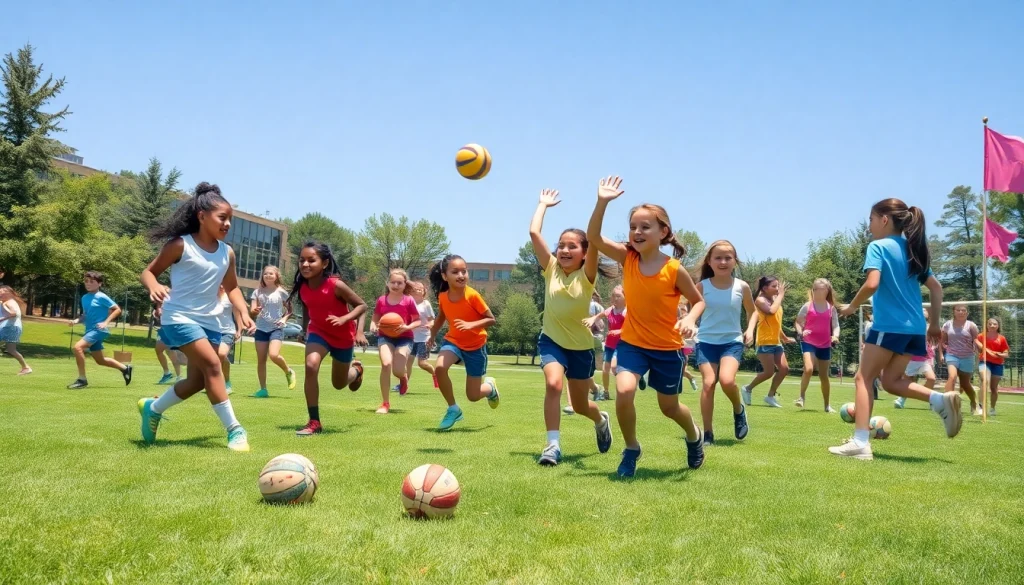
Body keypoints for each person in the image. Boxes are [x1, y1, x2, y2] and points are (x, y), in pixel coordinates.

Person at [587, 175, 706, 477]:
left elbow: (698, 301)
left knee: (669, 408)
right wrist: (602, 201)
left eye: (645, 226)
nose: (637, 232)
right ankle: (631, 448)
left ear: (663, 231)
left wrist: (690, 318)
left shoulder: (673, 269)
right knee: (624, 392)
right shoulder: (628, 258)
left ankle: (694, 434)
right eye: (633, 227)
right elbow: (595, 238)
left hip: (667, 349)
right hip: (632, 344)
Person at [832, 198, 960, 460]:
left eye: (870, 220)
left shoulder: (877, 247)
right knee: (891, 381)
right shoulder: (913, 249)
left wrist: (852, 307)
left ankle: (860, 443)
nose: (869, 227)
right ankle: (939, 400)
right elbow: (936, 287)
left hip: (888, 326)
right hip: (915, 328)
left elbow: (872, 283)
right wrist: (934, 323)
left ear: (884, 219)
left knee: (863, 378)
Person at [138, 183, 256, 451]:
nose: (227, 224)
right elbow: (148, 272)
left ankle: (152, 408)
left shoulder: (227, 253)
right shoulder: (180, 245)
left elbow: (233, 287)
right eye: (222, 218)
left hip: (212, 321)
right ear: (202, 216)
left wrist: (243, 310)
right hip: (179, 317)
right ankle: (235, 430)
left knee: (197, 381)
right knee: (215, 366)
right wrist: (154, 285)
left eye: (230, 220)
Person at [529, 188, 613, 466]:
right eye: (561, 245)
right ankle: (552, 445)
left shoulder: (586, 275)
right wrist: (542, 205)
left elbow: (595, 237)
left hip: (580, 348)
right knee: (553, 384)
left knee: (579, 406)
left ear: (584, 253)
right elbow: (534, 234)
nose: (564, 250)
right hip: (551, 340)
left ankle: (600, 419)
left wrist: (600, 202)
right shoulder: (550, 268)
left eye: (572, 246)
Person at [289, 242, 368, 436]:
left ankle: (356, 371)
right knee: (311, 365)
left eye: (311, 260)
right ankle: (314, 421)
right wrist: (305, 330)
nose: (305, 264)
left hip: (342, 337)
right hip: (319, 333)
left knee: (339, 384)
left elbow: (362, 306)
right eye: (302, 260)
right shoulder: (303, 286)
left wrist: (347, 321)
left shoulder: (335, 285)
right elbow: (308, 306)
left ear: (324, 263)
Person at [427, 254, 500, 431]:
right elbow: (441, 316)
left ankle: (489, 388)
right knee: (440, 368)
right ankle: (453, 409)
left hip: (475, 346)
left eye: (464, 271)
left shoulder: (473, 296)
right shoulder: (443, 296)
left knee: (473, 396)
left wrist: (470, 325)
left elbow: (491, 319)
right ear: (445, 276)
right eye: (455, 272)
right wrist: (432, 335)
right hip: (453, 341)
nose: (461, 275)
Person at [694, 240, 753, 445]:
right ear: (709, 262)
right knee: (709, 384)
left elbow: (752, 312)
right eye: (718, 257)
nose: (723, 261)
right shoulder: (702, 286)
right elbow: (688, 310)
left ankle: (738, 409)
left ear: (734, 261)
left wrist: (750, 329)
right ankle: (708, 434)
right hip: (705, 341)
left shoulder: (742, 287)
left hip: (732, 341)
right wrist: (688, 322)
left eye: (728, 258)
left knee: (727, 381)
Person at [66, 271, 133, 389]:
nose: (88, 284)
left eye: (92, 282)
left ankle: (82, 380)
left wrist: (106, 322)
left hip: (98, 330)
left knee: (78, 347)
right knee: (100, 360)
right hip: (90, 330)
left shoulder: (101, 296)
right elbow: (85, 315)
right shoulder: (85, 298)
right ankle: (125, 368)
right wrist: (76, 321)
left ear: (99, 283)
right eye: (86, 281)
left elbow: (117, 309)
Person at [370, 268, 421, 414]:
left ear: (405, 285)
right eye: (393, 282)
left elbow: (417, 321)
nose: (396, 285)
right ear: (387, 283)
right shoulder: (381, 300)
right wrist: (373, 324)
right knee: (386, 364)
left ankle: (403, 377)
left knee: (398, 370)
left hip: (405, 338)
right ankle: (385, 403)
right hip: (385, 336)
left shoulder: (409, 300)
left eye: (399, 283)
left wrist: (406, 327)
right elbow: (375, 316)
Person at [741, 276, 794, 408]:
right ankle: (747, 388)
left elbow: (776, 322)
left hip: (776, 342)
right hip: (764, 342)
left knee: (784, 369)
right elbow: (771, 312)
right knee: (769, 372)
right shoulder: (760, 300)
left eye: (778, 286)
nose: (777, 288)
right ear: (765, 288)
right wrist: (781, 295)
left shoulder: (775, 300)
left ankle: (770, 396)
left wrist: (784, 338)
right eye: (774, 286)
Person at [793, 278, 841, 412]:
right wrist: (801, 332)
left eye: (819, 289)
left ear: (827, 290)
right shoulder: (807, 306)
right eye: (814, 289)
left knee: (823, 376)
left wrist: (835, 336)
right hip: (808, 342)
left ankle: (827, 406)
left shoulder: (831, 309)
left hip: (825, 345)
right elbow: (798, 322)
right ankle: (801, 398)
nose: (816, 291)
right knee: (808, 369)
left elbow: (836, 326)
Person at [250, 266, 295, 397]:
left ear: (276, 276)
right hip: (261, 328)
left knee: (274, 355)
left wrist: (284, 319)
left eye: (271, 274)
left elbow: (290, 310)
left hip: (276, 328)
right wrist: (255, 310)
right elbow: (252, 310)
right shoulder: (257, 292)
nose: (268, 276)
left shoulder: (282, 292)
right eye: (265, 274)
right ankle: (263, 389)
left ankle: (288, 371)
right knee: (261, 360)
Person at [393, 281, 438, 392]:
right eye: (417, 288)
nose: (419, 289)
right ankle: (404, 385)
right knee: (407, 363)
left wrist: (430, 325)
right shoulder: (408, 302)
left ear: (424, 292)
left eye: (421, 288)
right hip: (411, 337)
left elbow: (432, 320)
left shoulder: (426, 304)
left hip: (424, 338)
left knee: (422, 363)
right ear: (412, 290)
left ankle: (435, 374)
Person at [584, 285, 627, 397]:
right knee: (605, 369)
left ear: (625, 297)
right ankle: (606, 392)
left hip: (622, 345)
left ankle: (629, 381)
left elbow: (633, 328)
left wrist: (620, 331)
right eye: (613, 295)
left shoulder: (627, 312)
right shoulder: (610, 310)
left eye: (618, 295)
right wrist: (592, 319)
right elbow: (600, 315)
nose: (615, 298)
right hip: (609, 344)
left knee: (614, 367)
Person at [941, 304, 981, 415]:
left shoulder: (971, 325)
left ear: (967, 312)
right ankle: (947, 404)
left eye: (963, 310)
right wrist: (941, 353)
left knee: (965, 384)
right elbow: (942, 341)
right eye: (958, 310)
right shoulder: (947, 325)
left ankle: (974, 403)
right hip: (952, 354)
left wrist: (981, 347)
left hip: (967, 356)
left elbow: (976, 339)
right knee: (952, 377)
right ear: (954, 311)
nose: (961, 312)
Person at [894, 308, 938, 408]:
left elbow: (932, 340)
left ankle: (929, 399)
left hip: (924, 359)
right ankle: (901, 399)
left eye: (925, 314)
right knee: (907, 381)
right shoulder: (910, 327)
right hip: (911, 359)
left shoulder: (928, 328)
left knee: (931, 379)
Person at [976, 317, 1009, 417]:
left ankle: (992, 408)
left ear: (998, 326)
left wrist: (998, 354)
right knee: (984, 381)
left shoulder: (1002, 338)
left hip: (998, 364)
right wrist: (983, 349)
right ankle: (980, 407)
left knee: (993, 388)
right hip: (984, 362)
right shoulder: (981, 336)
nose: (992, 326)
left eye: (994, 324)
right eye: (990, 324)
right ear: (986, 325)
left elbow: (1006, 354)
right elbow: (977, 347)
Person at [216, 285, 241, 394]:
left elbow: (237, 313)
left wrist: (239, 329)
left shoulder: (230, 296)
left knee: (221, 354)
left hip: (228, 331)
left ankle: (227, 383)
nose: (221, 285)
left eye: (223, 283)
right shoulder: (210, 295)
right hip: (212, 330)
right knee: (212, 357)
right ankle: (213, 382)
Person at [0, 285, 31, 374]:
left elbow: (13, 314)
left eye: (1, 293)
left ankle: (26, 367)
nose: (0, 294)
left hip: (10, 327)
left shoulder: (8, 303)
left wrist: (2, 319)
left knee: (11, 350)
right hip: (11, 327)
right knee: (11, 350)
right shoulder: (6, 302)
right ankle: (26, 368)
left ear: (9, 294)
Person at [153, 304, 183, 384]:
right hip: (163, 330)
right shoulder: (158, 306)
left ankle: (177, 376)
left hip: (171, 330)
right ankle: (171, 374)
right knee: (166, 352)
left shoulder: (170, 305)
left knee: (171, 354)